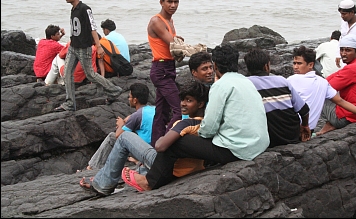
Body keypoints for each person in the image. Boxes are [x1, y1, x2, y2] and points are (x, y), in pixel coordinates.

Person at [122, 44, 270, 192]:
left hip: (238, 150)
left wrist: (193, 130)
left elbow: (209, 129)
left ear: (216, 65)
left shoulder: (220, 86)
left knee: (177, 142)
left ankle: (150, 181)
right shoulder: (246, 82)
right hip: (259, 144)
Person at [79, 80, 209, 196]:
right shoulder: (206, 124)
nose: (183, 104)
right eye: (182, 100)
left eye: (189, 100)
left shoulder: (184, 124)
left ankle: (102, 184)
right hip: (189, 168)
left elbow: (160, 146)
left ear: (200, 104)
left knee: (125, 137)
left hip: (169, 167)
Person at [55, 0, 122, 112]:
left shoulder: (85, 9)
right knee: (67, 73)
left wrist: (99, 46)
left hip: (84, 48)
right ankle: (69, 103)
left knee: (90, 74)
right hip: (73, 46)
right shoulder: (73, 10)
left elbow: (93, 28)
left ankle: (114, 90)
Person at [287, 45, 356, 135]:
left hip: (295, 129)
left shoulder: (291, 80)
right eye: (294, 63)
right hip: (310, 128)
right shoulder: (323, 83)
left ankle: (331, 123)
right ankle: (329, 124)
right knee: (323, 94)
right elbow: (340, 101)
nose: (295, 67)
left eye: (299, 64)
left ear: (311, 65)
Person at [244, 48, 311, 146]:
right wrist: (305, 125)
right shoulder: (282, 81)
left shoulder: (246, 84)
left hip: (269, 139)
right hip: (292, 134)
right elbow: (304, 110)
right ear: (266, 66)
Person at [84, 83, 155, 171]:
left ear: (135, 100)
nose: (128, 99)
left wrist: (121, 124)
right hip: (154, 149)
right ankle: (135, 160)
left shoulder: (137, 116)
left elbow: (119, 136)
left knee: (112, 137)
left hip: (144, 151)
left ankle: (92, 167)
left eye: (130, 97)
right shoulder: (153, 109)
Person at [148, 0, 183, 147]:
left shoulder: (170, 20)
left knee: (161, 112)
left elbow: (173, 42)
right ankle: (165, 144)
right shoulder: (157, 21)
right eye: (169, 2)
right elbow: (173, 44)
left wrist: (179, 41)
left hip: (168, 68)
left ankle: (155, 145)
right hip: (161, 69)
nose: (173, 5)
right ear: (161, 2)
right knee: (178, 110)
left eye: (176, 2)